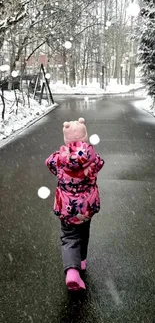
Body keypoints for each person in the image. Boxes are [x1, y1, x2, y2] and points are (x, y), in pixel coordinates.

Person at [45, 118, 104, 291]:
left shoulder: (58, 159)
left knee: (69, 236)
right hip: (86, 207)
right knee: (83, 232)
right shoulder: (92, 157)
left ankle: (72, 270)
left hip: (66, 207)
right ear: (84, 138)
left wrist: (62, 152)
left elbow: (48, 162)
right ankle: (82, 261)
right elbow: (100, 163)